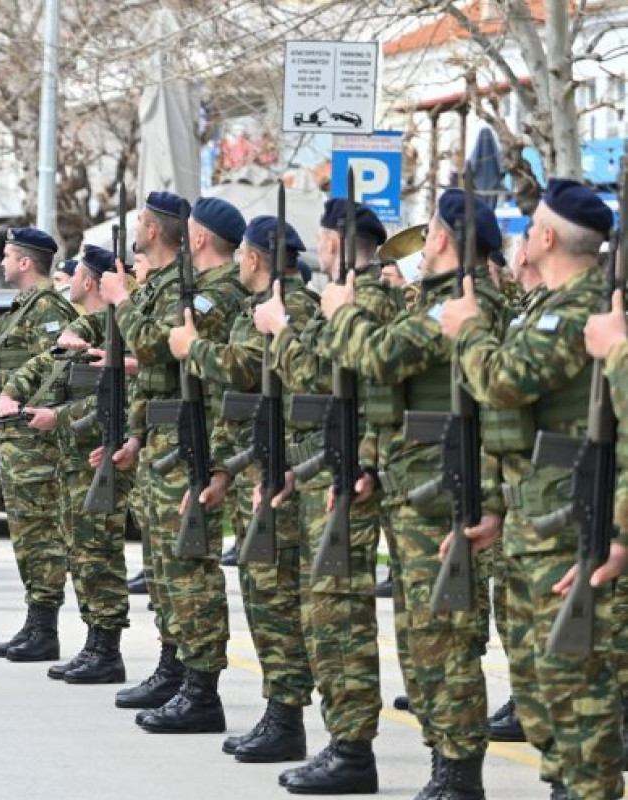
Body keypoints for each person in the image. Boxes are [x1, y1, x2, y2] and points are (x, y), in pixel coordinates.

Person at [321, 189, 508, 797]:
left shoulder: (457, 302)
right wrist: (373, 465)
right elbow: (396, 401)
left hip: (444, 490)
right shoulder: (438, 300)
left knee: (443, 639)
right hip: (414, 483)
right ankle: (444, 764)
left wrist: (342, 311)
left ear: (446, 238)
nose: (420, 244)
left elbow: (378, 359)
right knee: (422, 636)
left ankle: (459, 773)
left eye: (427, 232)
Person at [443, 179, 620, 800]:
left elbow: (503, 384)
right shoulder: (548, 305)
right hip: (531, 521)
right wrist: (494, 506)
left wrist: (466, 328)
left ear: (546, 237)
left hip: (571, 525)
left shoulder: (582, 311)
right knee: (542, 692)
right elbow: (512, 427)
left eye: (530, 227)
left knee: (579, 698)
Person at [97, 191, 248, 733]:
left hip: (195, 441)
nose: (138, 228)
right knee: (164, 568)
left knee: (190, 569)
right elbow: (155, 377)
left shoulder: (214, 293)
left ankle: (202, 688)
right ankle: (174, 665)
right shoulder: (175, 286)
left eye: (141, 221)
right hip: (165, 440)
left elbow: (157, 348)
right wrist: (136, 434)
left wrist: (120, 298)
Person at [172, 211, 316, 761]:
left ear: (254, 258)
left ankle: (286, 719)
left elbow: (242, 367)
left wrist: (192, 347)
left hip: (280, 470)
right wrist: (225, 467)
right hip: (255, 462)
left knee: (275, 597)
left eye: (242, 257)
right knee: (262, 594)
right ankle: (278, 714)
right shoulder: (265, 309)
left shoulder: (290, 310)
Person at [260, 198, 391, 793]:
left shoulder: (367, 300)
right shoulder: (350, 298)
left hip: (353, 475)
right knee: (325, 612)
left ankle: (352, 750)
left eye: (322, 237)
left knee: (339, 616)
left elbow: (315, 371)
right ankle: (343, 743)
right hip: (328, 465)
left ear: (337, 244)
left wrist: (282, 330)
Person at [4, 244, 137, 681]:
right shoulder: (86, 327)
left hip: (100, 453)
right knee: (82, 550)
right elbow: (46, 365)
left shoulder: (119, 328)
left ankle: (107, 648)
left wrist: (56, 417)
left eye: (78, 273)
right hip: (74, 458)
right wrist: (12, 390)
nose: (71, 280)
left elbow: (114, 399)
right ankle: (94, 641)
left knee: (97, 550)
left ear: (91, 282)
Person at [0, 226, 76, 661]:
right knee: (26, 536)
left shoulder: (49, 309)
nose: (2, 263)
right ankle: (36, 620)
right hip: (14, 436)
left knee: (41, 534)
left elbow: (61, 370)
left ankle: (46, 628)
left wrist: (2, 381)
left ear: (26, 262)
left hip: (35, 440)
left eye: (8, 256)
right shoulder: (21, 308)